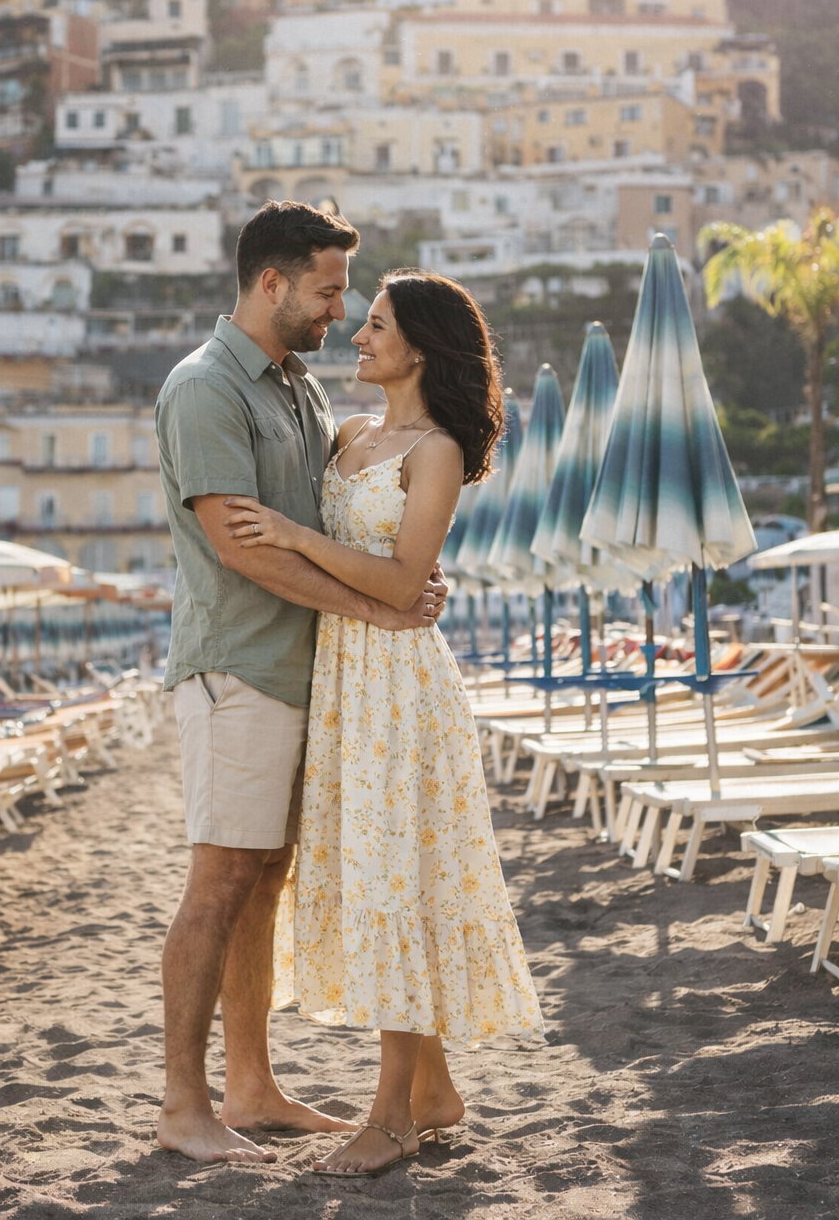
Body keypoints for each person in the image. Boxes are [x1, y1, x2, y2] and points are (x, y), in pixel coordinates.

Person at [224, 269, 546, 1177]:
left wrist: (294, 539)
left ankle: (392, 1119)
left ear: (419, 346)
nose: (357, 336)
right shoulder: (353, 434)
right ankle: (434, 1090)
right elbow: (382, 571)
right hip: (345, 678)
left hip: (400, 685)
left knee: (395, 884)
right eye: (360, 322)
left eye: (375, 325)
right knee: (379, 876)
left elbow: (406, 582)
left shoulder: (435, 449)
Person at [154, 205, 447, 1165]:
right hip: (240, 665)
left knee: (265, 877)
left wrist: (402, 581)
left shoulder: (299, 389)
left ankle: (252, 1084)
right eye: (327, 291)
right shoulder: (205, 390)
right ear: (271, 282)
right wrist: (379, 608)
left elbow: (350, 520)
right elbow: (248, 552)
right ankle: (185, 1107)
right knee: (219, 878)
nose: (340, 310)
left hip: (310, 674)